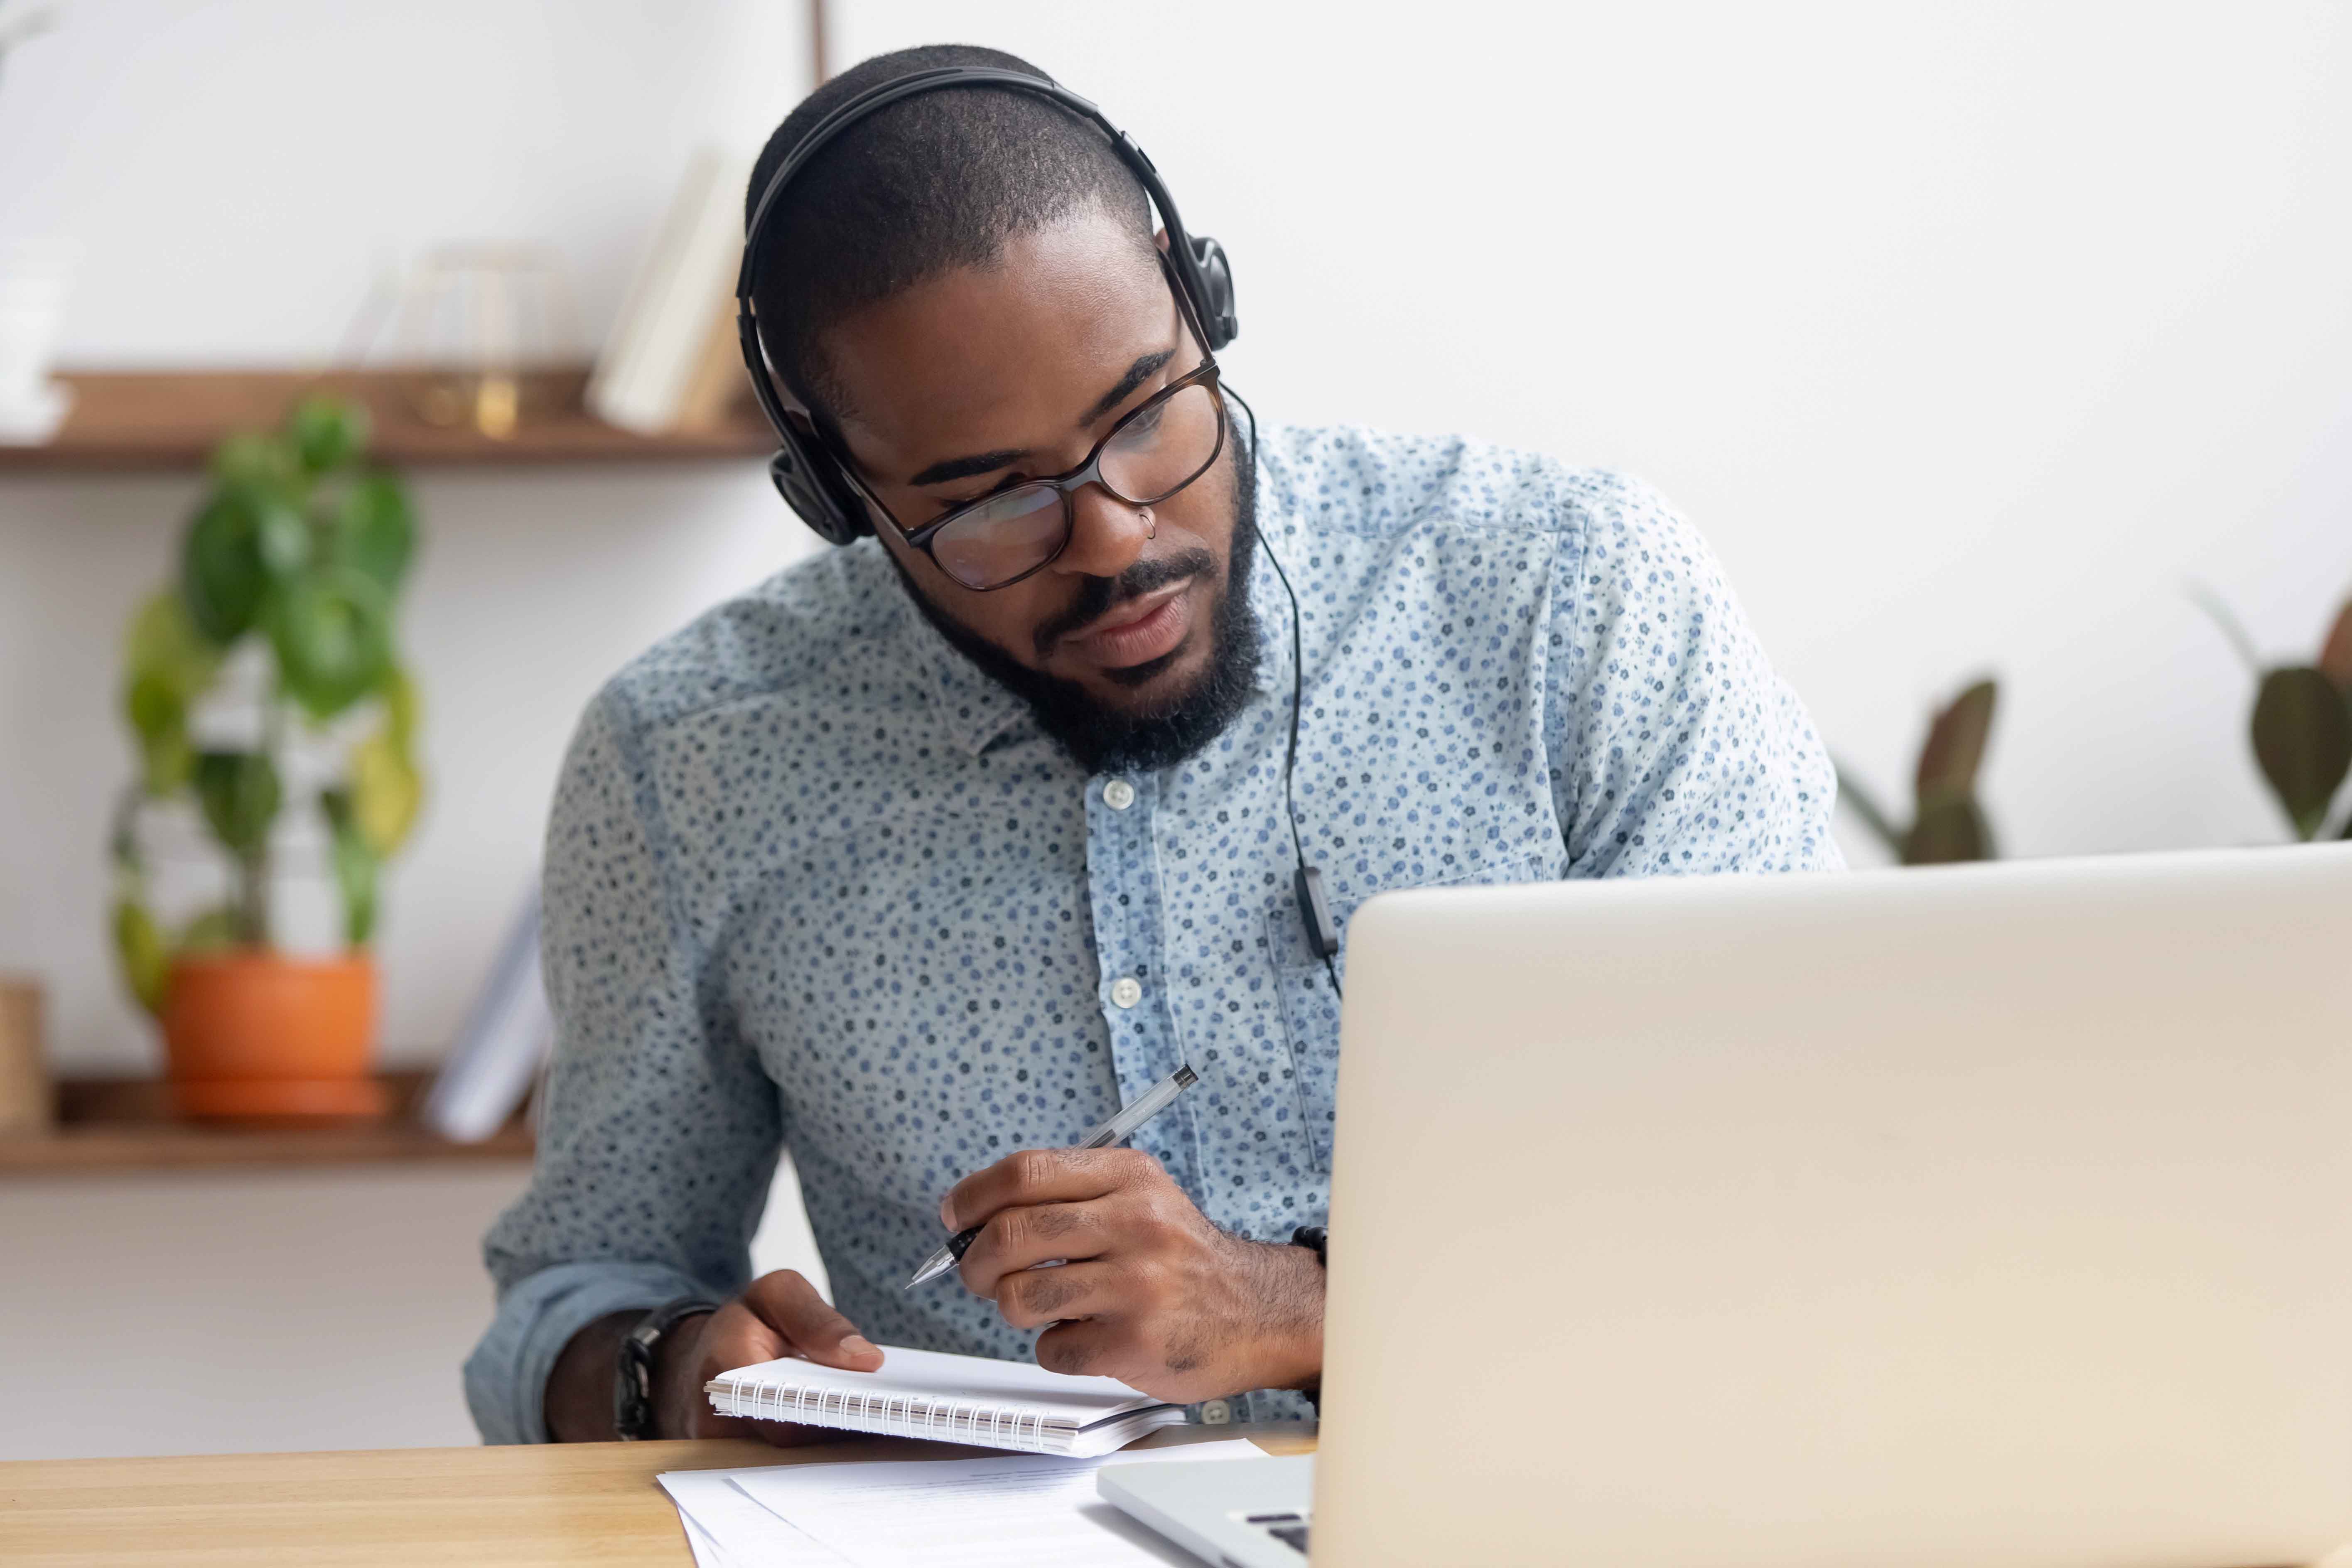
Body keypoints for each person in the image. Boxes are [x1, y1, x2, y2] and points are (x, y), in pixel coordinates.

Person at [464, 42, 1842, 1446]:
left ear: (1204, 303)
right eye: (990, 501)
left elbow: (1812, 1187)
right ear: (837, 495)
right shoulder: (685, 760)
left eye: (1144, 416)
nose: (1116, 538)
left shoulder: (1577, 601)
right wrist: (676, 1371)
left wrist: (1296, 1309)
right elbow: (572, 1299)